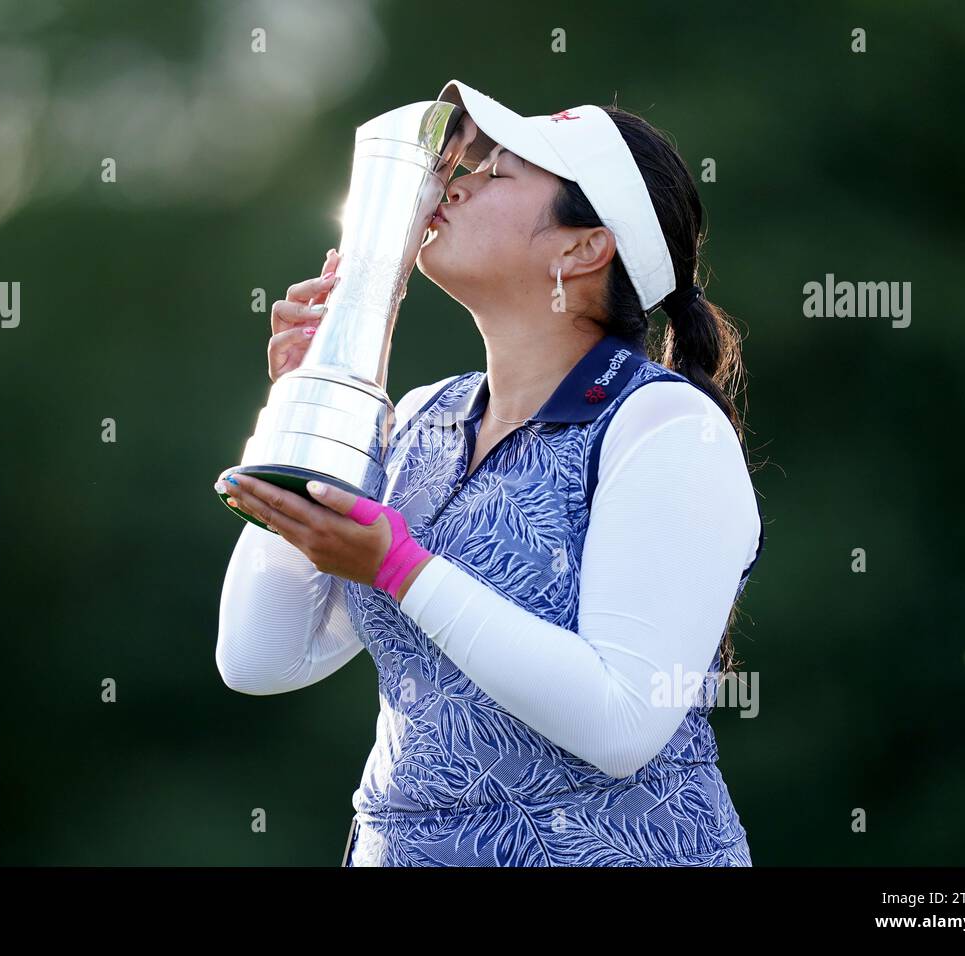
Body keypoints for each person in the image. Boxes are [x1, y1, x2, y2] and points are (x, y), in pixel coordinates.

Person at [214, 79, 765, 867]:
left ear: (583, 248)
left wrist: (401, 569)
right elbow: (258, 658)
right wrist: (307, 398)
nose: (455, 182)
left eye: (497, 173)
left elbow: (620, 724)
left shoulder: (667, 429)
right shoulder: (418, 418)